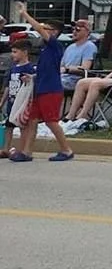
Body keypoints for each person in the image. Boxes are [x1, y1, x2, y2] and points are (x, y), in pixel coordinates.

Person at [6, 17, 78, 161]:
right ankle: (27, 152)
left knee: (51, 121)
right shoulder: (45, 49)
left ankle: (66, 150)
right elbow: (45, 70)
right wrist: (32, 77)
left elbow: (38, 28)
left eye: (46, 29)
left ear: (54, 32)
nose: (42, 31)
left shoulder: (55, 46)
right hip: (40, 89)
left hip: (51, 90)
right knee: (32, 120)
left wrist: (24, 13)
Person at [59, 15, 97, 111]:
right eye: (73, 29)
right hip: (62, 78)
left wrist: (67, 69)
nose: (74, 32)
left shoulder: (89, 46)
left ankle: (46, 116)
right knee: (34, 79)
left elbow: (85, 69)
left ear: (87, 32)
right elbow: (61, 66)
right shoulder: (70, 47)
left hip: (75, 81)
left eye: (78, 30)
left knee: (45, 83)